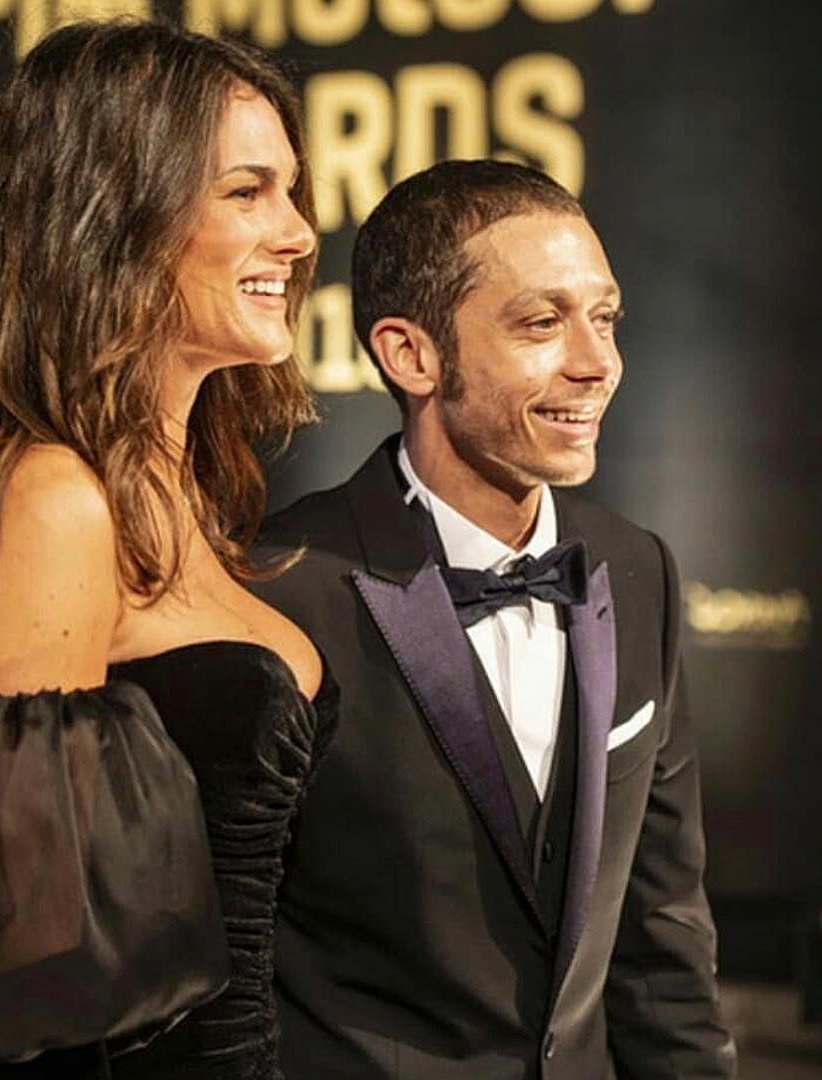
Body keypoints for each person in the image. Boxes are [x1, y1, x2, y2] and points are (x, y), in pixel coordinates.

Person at [0, 20, 336, 1080]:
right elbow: (25, 1007)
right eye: (246, 192)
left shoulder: (173, 489)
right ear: (118, 217)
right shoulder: (48, 497)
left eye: (291, 192)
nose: (296, 234)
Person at [254, 160, 737, 1078]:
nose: (597, 363)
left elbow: (663, 937)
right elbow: (222, 960)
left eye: (604, 318)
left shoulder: (640, 570)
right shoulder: (279, 587)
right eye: (542, 323)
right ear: (412, 355)